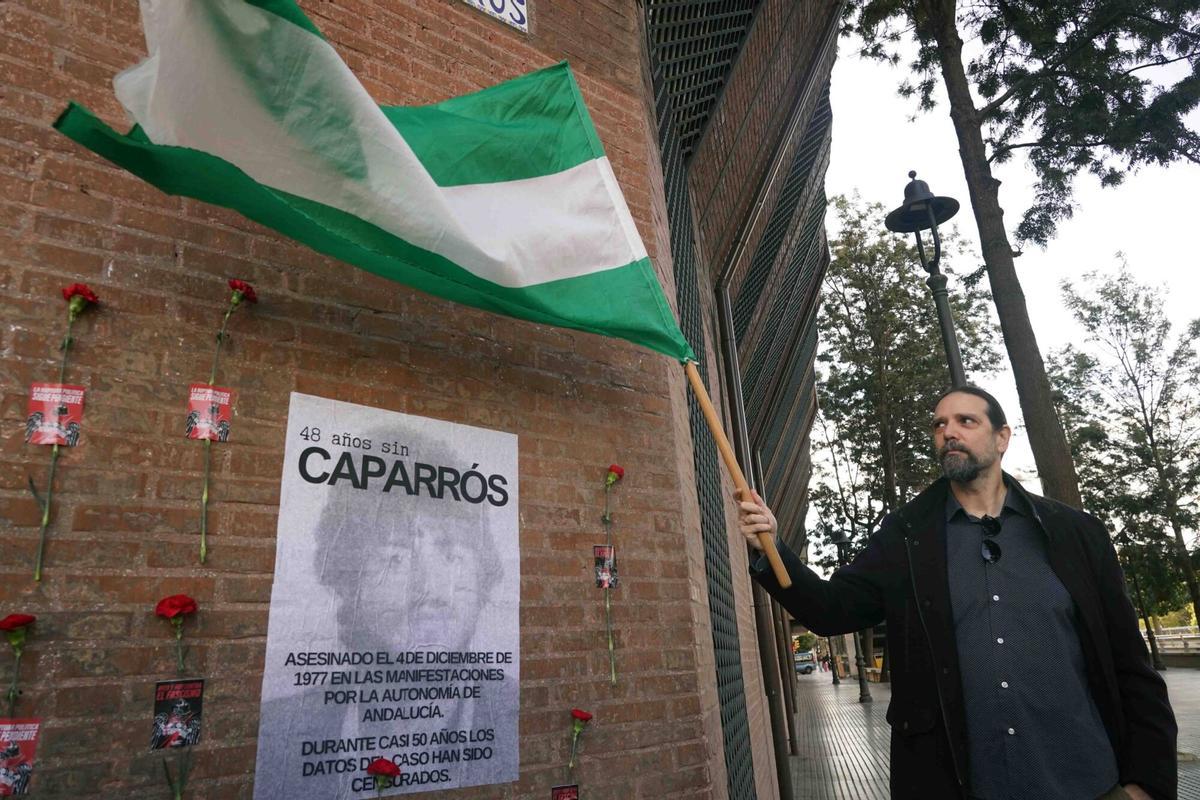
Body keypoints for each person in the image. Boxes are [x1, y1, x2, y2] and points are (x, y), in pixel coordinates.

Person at [739, 386, 1177, 800]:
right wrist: (773, 550)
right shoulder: (907, 536)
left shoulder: (1075, 534)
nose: (949, 431)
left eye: (966, 420)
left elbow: (1129, 664)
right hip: (957, 783)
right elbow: (832, 611)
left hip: (1085, 781)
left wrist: (1145, 784)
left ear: (1002, 438)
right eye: (939, 424)